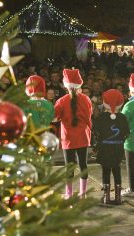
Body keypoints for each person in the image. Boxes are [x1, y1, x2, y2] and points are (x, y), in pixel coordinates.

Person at [54, 69, 93, 199]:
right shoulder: (86, 99)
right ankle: (83, 193)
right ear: (79, 84)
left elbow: (56, 118)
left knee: (68, 167)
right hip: (82, 137)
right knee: (83, 165)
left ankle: (69, 193)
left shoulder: (61, 101)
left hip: (68, 139)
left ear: (65, 85)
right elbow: (89, 117)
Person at [94, 89, 129, 204]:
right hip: (117, 148)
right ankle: (118, 197)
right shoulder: (123, 117)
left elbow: (96, 131)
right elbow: (127, 133)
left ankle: (106, 196)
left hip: (104, 148)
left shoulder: (101, 117)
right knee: (117, 170)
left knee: (106, 171)